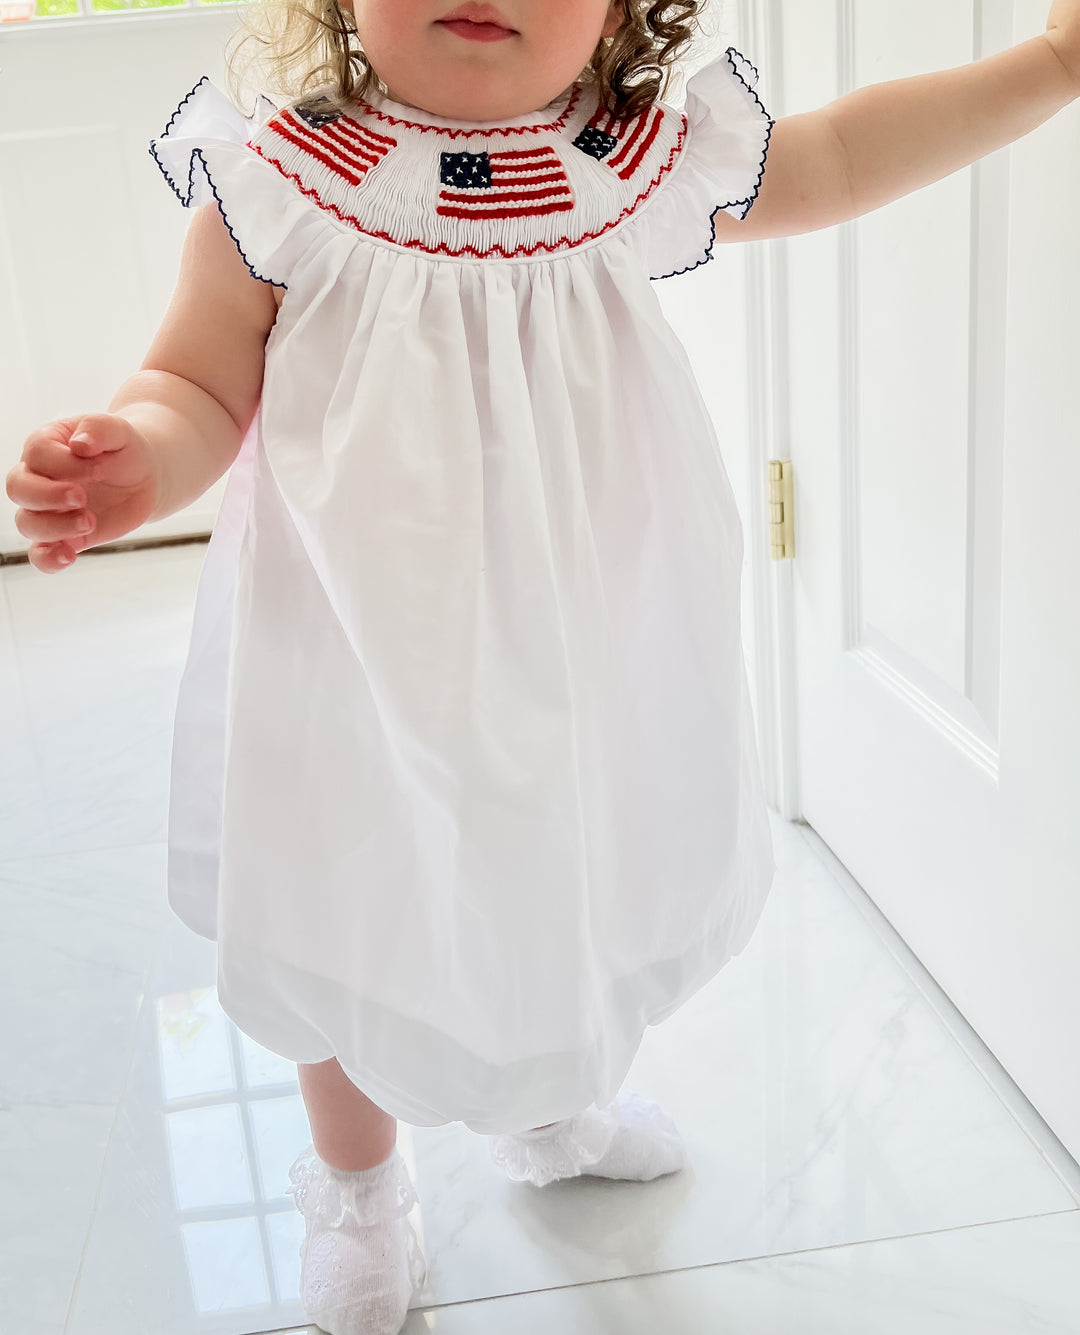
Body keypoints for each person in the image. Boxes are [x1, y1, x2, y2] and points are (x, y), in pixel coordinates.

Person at [7, 1, 1080, 1331]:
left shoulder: (624, 163)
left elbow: (843, 159)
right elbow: (197, 381)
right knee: (351, 904)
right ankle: (357, 1187)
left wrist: (1049, 66)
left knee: (559, 873)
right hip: (351, 652)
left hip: (584, 643)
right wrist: (138, 456)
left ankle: (549, 1106)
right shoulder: (283, 180)